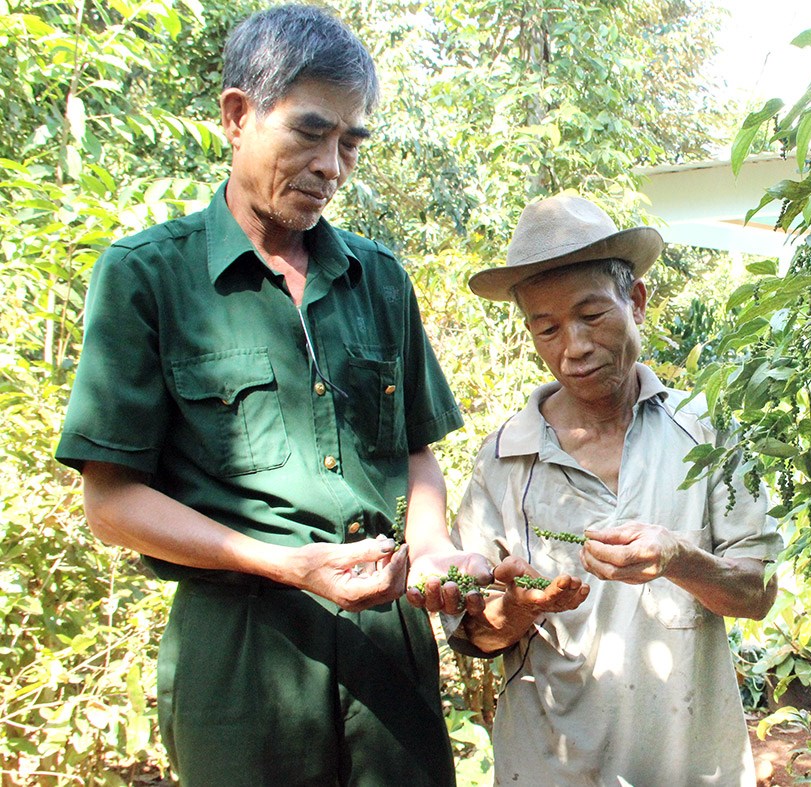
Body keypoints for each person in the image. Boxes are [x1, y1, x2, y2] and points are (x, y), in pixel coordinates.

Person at [55, 5, 488, 783]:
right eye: (310, 134)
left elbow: (414, 451)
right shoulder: (148, 276)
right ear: (236, 115)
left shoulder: (379, 278)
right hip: (240, 649)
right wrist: (289, 565)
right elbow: (111, 504)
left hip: (389, 640)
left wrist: (428, 552)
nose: (332, 166)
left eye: (351, 144)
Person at [450, 193, 783, 785]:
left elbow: (756, 595)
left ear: (636, 301)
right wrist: (519, 609)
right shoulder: (503, 458)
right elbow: (472, 632)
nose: (572, 347)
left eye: (592, 316)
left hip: (689, 765)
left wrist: (680, 559)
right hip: (549, 768)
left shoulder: (707, 432)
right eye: (546, 328)